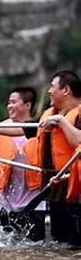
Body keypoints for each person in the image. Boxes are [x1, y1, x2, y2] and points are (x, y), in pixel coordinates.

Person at [0, 87, 46, 241]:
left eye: (14, 102)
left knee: (34, 253)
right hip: (5, 207)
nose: (9, 106)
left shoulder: (40, 132)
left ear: (27, 105)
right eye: (8, 102)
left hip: (34, 206)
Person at [24, 71, 80, 248]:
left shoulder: (76, 114)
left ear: (66, 90)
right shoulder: (50, 113)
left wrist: (62, 121)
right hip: (56, 188)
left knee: (73, 245)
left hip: (74, 188)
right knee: (59, 243)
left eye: (52, 87)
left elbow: (78, 140)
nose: (49, 91)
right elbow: (24, 128)